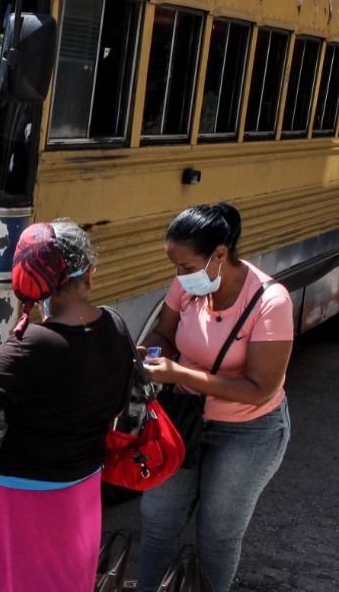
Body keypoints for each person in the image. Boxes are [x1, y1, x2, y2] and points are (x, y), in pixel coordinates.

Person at [0, 220, 134, 592]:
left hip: (21, 502)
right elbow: (117, 410)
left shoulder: (29, 346)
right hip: (83, 492)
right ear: (88, 276)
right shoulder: (117, 327)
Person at [136, 203, 293, 592]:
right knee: (157, 521)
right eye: (175, 267)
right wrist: (148, 353)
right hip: (183, 417)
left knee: (218, 535)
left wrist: (178, 373)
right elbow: (165, 336)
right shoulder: (188, 284)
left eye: (186, 267)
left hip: (248, 432)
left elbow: (261, 389)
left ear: (220, 255)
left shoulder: (271, 302)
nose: (180, 276)